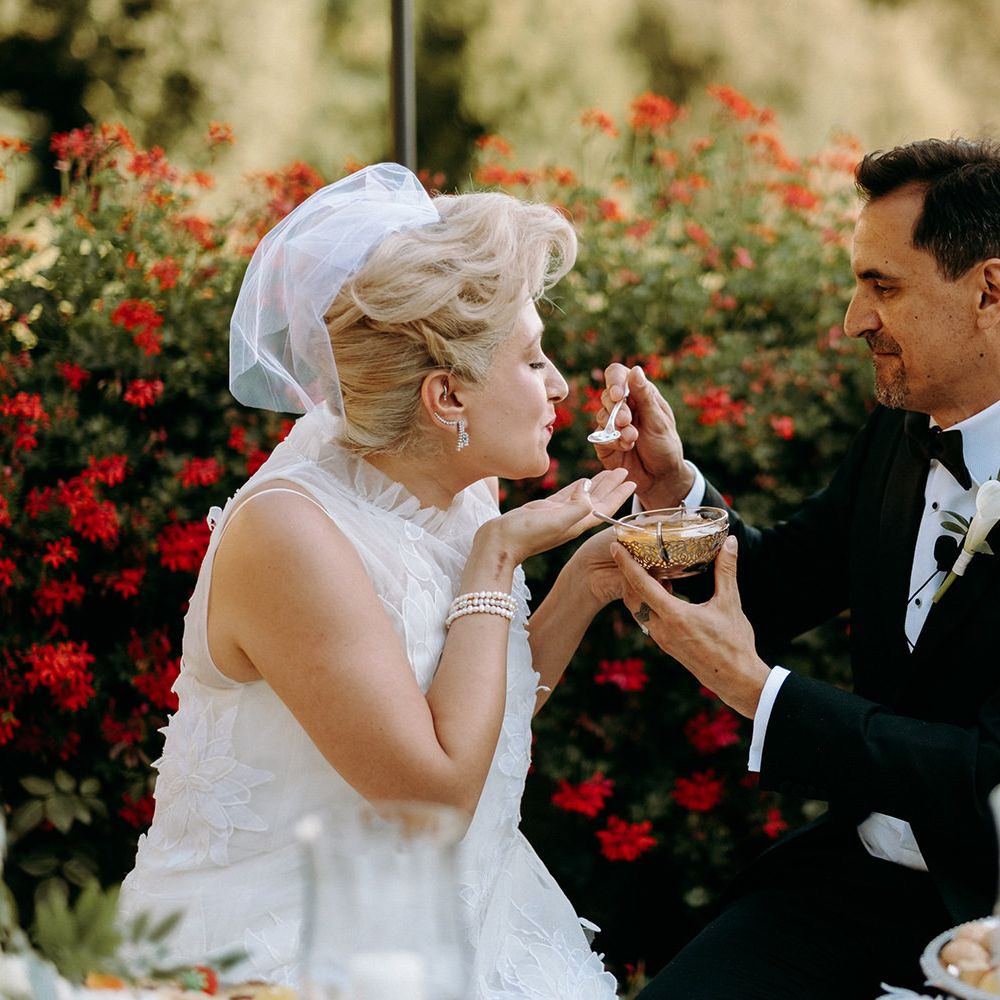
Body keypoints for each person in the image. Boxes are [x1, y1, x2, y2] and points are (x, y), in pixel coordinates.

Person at [118, 162, 633, 998]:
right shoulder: (291, 535)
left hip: (469, 914)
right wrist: (498, 555)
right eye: (534, 359)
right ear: (446, 398)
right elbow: (432, 800)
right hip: (295, 953)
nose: (560, 385)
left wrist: (591, 577)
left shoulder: (457, 485)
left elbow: (474, 715)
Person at [590, 137, 1000, 998]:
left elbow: (980, 773)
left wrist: (757, 691)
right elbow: (775, 585)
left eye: (883, 286)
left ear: (990, 291)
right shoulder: (898, 432)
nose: (854, 320)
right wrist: (674, 493)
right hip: (851, 883)